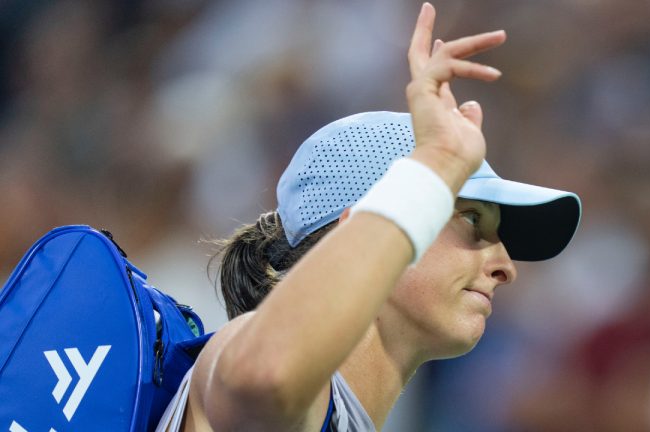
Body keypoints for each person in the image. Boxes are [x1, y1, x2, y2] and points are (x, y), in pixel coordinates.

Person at [156, 3, 581, 431]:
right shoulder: (247, 348)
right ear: (356, 226)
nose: (506, 267)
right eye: (472, 220)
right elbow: (268, 376)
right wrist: (437, 163)